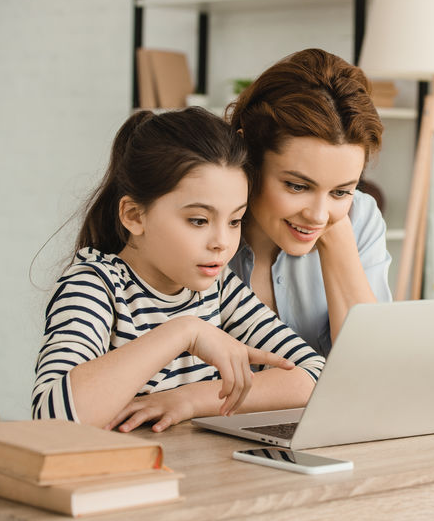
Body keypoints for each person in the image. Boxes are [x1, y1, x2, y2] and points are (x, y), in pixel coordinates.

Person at [32, 107, 325, 433]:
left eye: (234, 221)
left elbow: (316, 374)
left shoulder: (219, 288)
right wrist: (184, 332)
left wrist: (190, 400)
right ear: (134, 215)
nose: (222, 242)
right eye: (199, 220)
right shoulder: (95, 285)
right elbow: (52, 421)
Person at [227, 48, 391, 358]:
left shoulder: (360, 217)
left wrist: (338, 240)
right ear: (248, 155)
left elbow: (372, 367)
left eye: (340, 191)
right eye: (298, 186)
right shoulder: (199, 225)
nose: (317, 215)